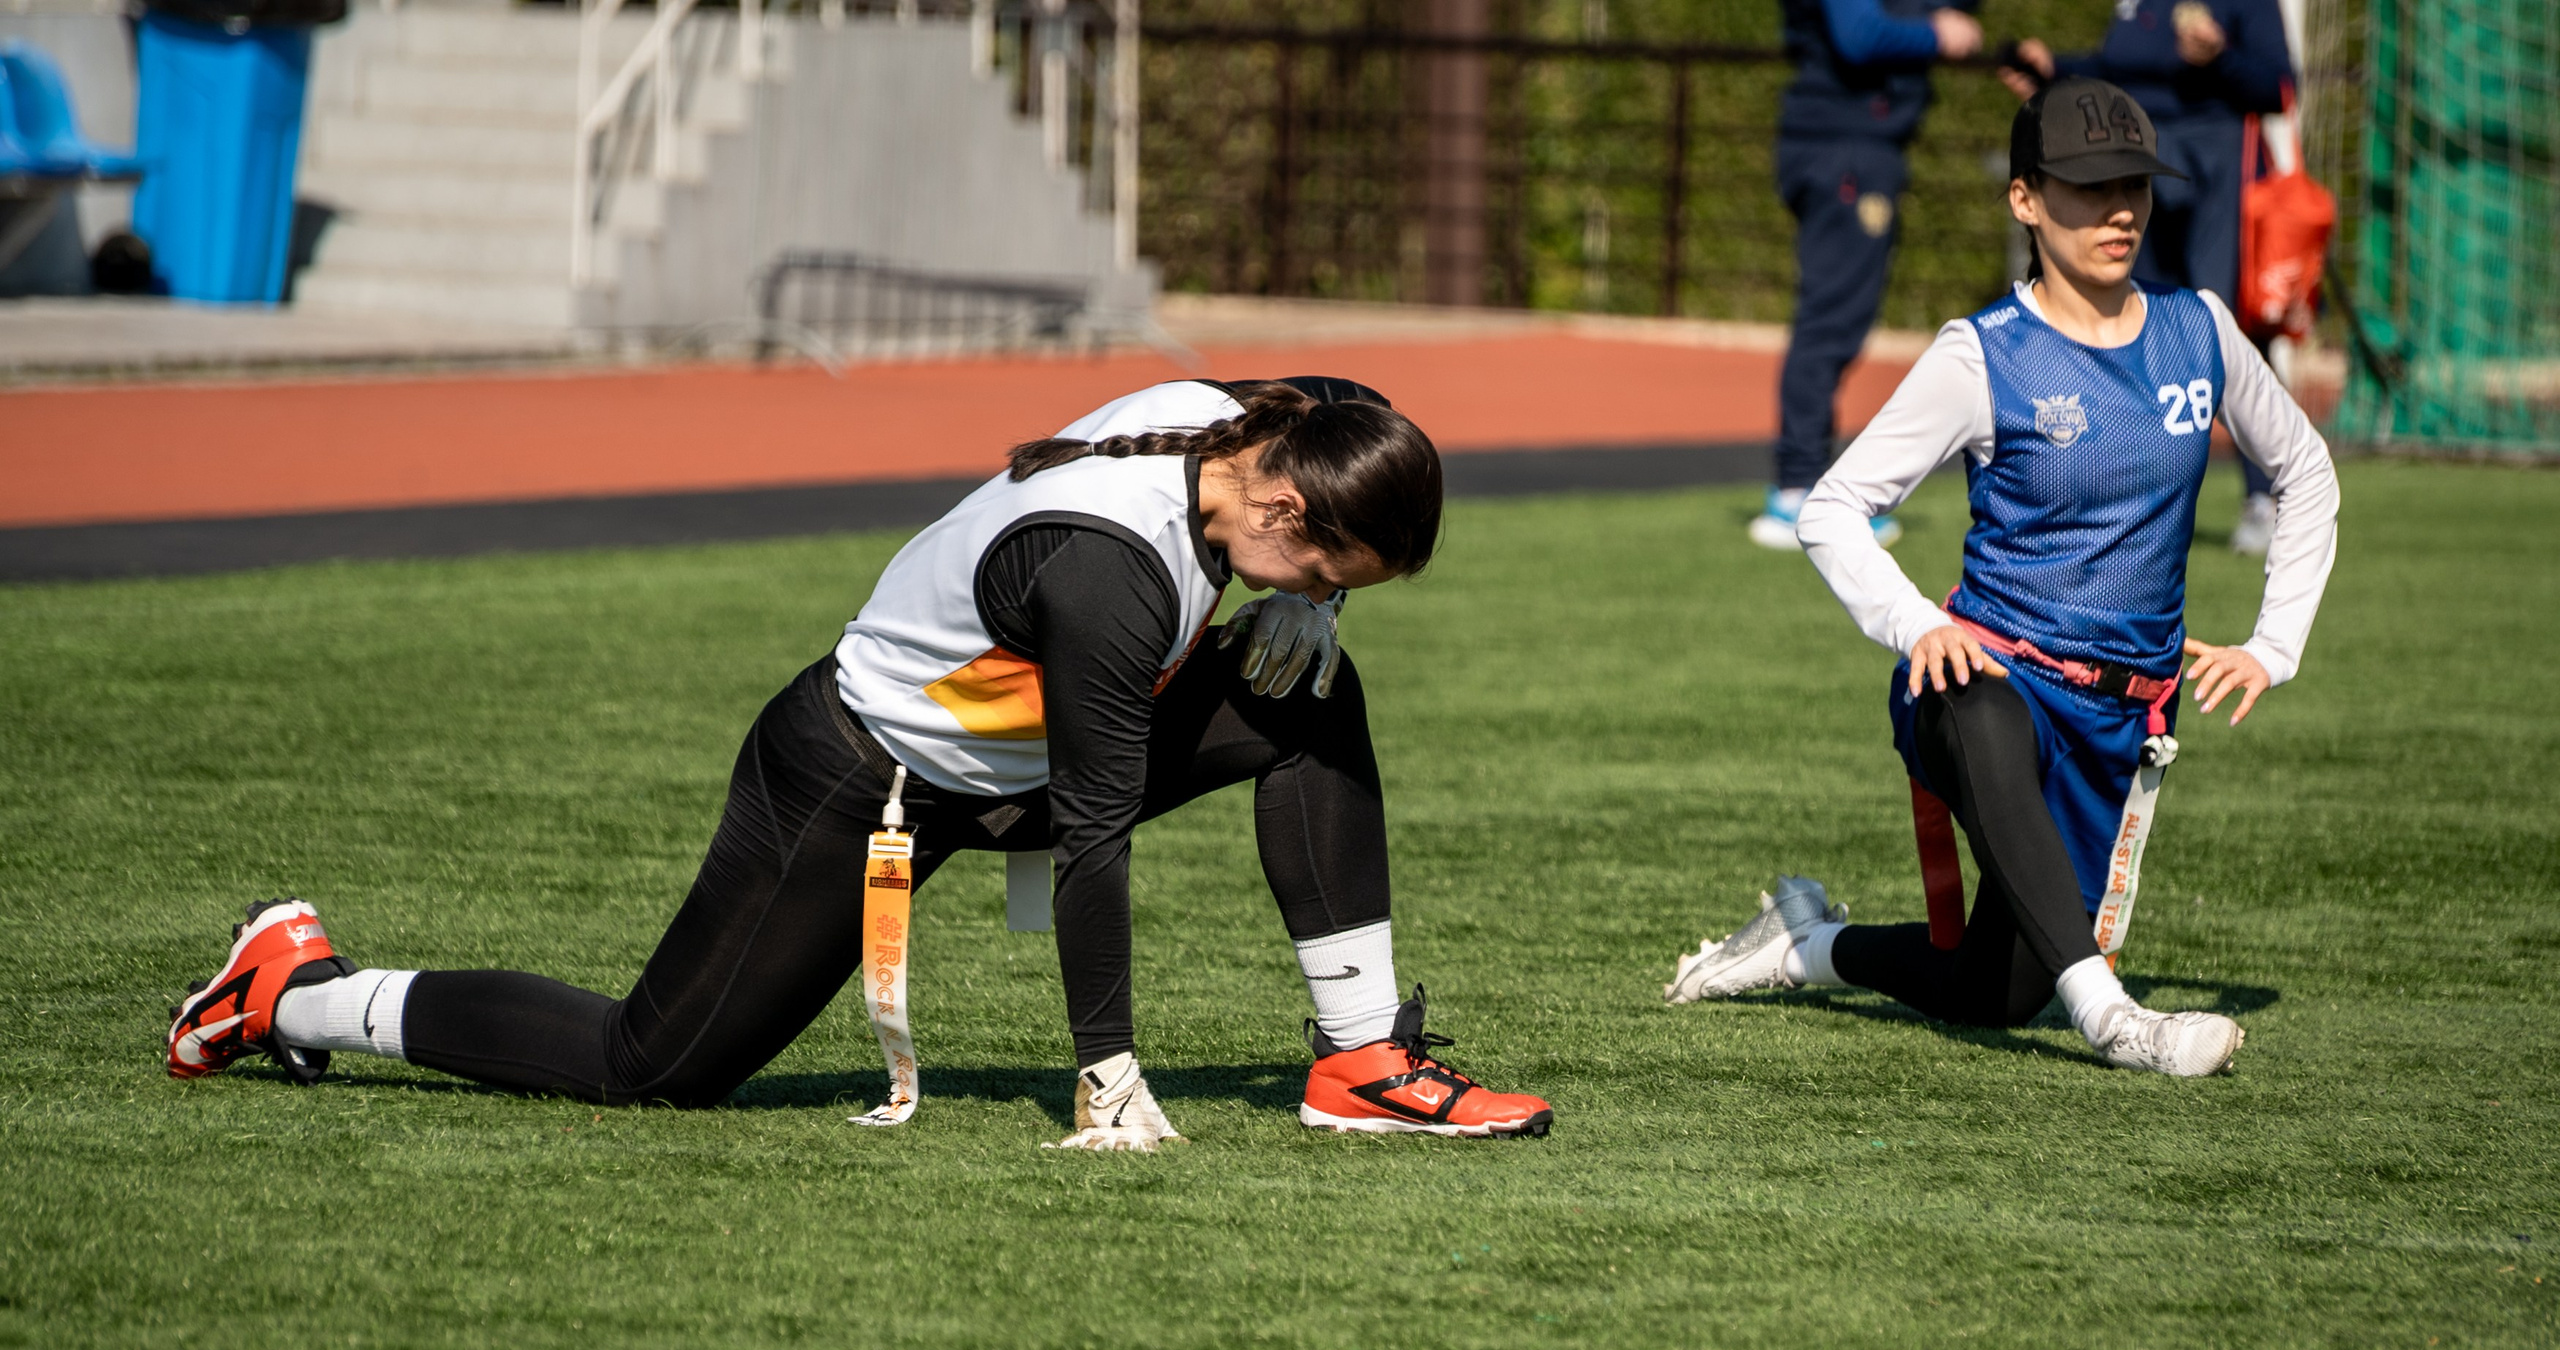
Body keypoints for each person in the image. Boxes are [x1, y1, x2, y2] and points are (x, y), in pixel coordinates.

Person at [166, 378, 1554, 1149]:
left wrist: (1315, 606)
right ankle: (296, 990)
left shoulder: (1255, 421)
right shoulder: (1113, 570)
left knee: (1307, 679)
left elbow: (1258, 592)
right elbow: (1092, 838)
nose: (1317, 581)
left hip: (993, 753)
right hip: (856, 778)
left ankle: (1359, 1061)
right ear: (1287, 498)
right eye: (1324, 561)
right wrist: (1105, 1070)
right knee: (650, 1065)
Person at [1665, 80, 2338, 1077]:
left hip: (2120, 719)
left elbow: (2305, 470)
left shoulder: (2197, 328)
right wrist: (1911, 623)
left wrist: (2274, 643)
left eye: (2132, 187)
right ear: (2023, 200)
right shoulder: (1979, 354)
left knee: (2000, 990)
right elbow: (1830, 506)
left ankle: (1804, 945)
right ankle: (2117, 1023)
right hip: (1984, 679)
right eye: (2083, 188)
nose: (2117, 210)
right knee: (1978, 704)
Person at [2001, 1, 2294, 554]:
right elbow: (2122, 69)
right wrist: (2054, 68)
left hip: (2217, 160)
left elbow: (2280, 90)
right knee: (2131, 319)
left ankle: (2269, 497)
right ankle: (2126, 493)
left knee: (2221, 326)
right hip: (2140, 160)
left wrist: (2219, 57)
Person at [1754, 0, 1985, 553]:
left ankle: (1801, 481)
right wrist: (1937, 33)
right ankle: (1797, 488)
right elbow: (1857, 35)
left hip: (1851, 142)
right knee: (1830, 318)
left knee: (1838, 318)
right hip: (1843, 146)